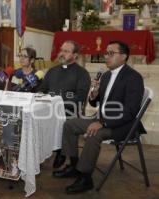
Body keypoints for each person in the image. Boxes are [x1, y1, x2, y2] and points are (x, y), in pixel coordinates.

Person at [53, 41, 145, 194]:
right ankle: (73, 165)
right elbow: (96, 103)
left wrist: (103, 123)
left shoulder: (133, 77)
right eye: (106, 53)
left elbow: (130, 111)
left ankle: (85, 177)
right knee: (70, 124)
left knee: (94, 134)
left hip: (123, 125)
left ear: (123, 56)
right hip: (101, 118)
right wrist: (94, 95)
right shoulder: (107, 75)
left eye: (111, 53)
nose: (106, 57)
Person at [38, 40, 91, 169]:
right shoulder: (52, 71)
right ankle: (39, 153)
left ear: (75, 56)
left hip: (70, 110)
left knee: (64, 121)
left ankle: (61, 152)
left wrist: (58, 103)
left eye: (66, 51)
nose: (61, 53)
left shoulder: (82, 73)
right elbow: (41, 90)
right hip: (48, 109)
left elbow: (80, 98)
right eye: (61, 50)